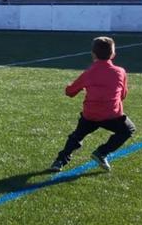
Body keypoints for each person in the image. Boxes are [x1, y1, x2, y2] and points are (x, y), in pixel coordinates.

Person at [50, 36, 135, 172]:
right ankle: (101, 152)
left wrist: (69, 86)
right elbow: (123, 95)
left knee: (77, 136)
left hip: (90, 115)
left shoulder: (88, 73)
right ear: (113, 54)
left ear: (93, 54)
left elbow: (70, 92)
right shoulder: (120, 72)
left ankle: (59, 161)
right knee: (128, 130)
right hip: (112, 115)